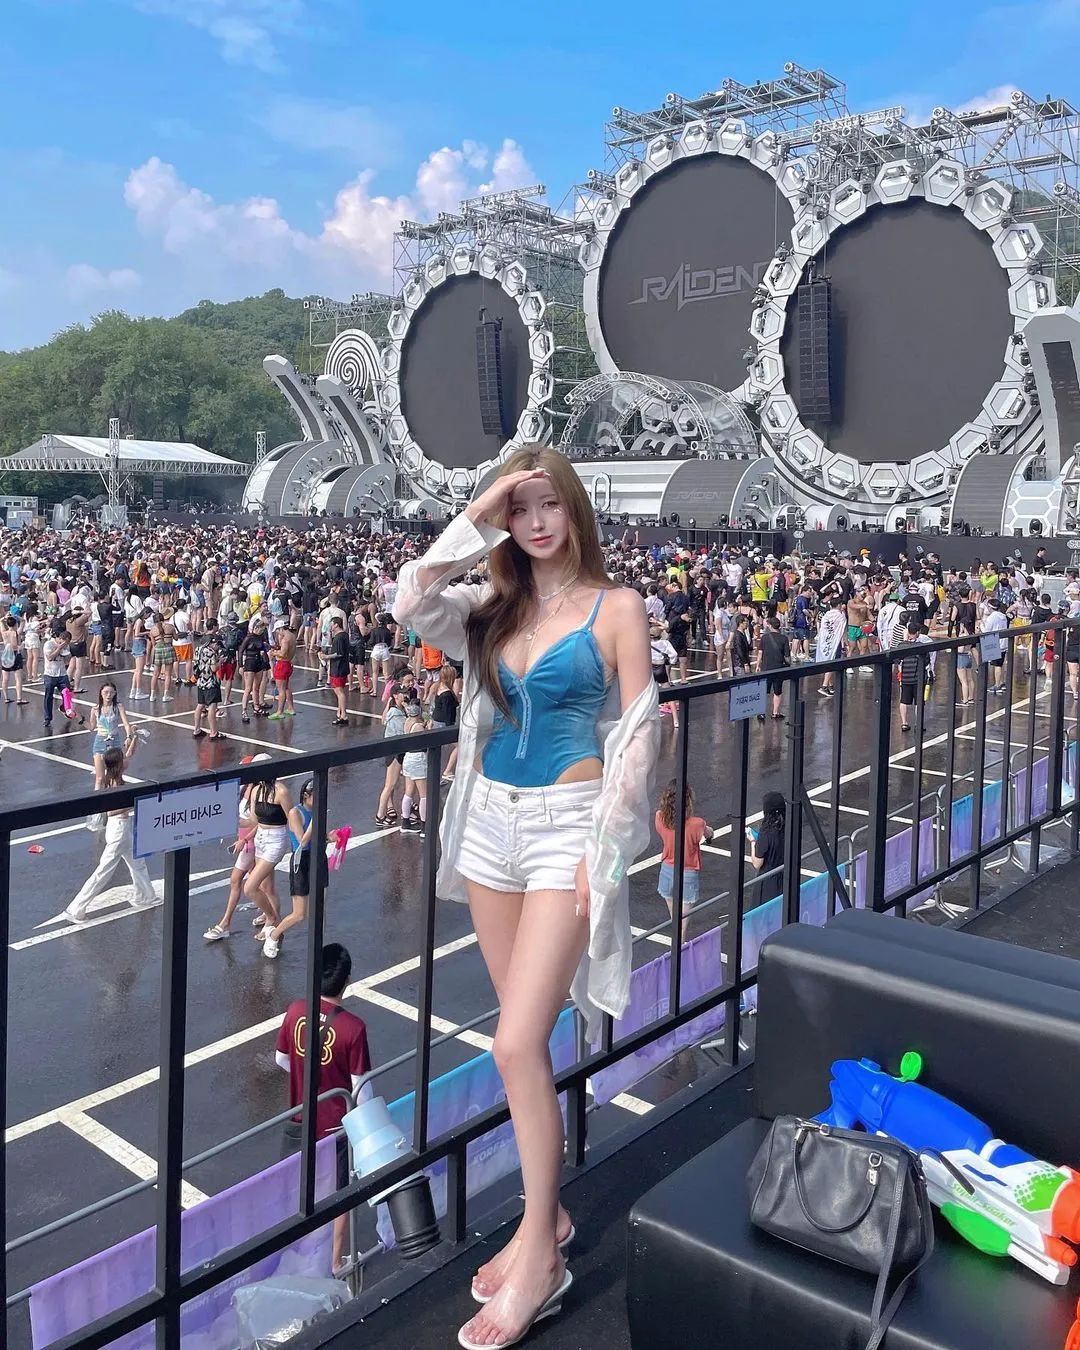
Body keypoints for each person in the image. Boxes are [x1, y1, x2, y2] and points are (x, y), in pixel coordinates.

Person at [393, 446, 658, 1349]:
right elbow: (410, 599)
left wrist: (606, 853)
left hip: (567, 830)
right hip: (487, 828)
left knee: (512, 1043)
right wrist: (476, 511)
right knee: (523, 1044)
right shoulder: (490, 604)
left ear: (575, 509)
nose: (536, 522)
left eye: (549, 504)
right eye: (521, 508)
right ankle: (546, 1219)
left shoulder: (618, 607)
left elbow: (639, 735)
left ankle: (541, 1255)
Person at [275, 943, 373, 1274]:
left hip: (299, 1117)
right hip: (335, 1127)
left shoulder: (295, 1010)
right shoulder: (353, 1028)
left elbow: (281, 1058)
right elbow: (361, 1087)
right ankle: (335, 1260)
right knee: (339, 1191)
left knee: (296, 1186)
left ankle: (294, 1252)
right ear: (347, 980)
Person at [65, 745, 155, 921]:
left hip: (122, 828)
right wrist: (133, 804)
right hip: (118, 830)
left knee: (137, 863)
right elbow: (111, 811)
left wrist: (133, 738)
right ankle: (76, 908)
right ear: (119, 764)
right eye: (123, 758)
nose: (126, 759)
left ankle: (146, 896)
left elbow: (129, 754)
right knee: (103, 872)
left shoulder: (112, 778)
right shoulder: (115, 784)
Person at [654, 779, 713, 918]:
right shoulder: (698, 823)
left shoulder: (659, 817)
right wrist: (709, 832)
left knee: (674, 917)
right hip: (688, 871)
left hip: (667, 868)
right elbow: (708, 834)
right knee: (683, 920)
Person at [88, 679, 132, 786]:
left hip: (114, 742)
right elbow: (91, 727)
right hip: (100, 742)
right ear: (101, 693)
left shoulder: (118, 707)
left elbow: (126, 724)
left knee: (115, 776)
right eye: (106, 692)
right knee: (100, 778)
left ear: (115, 693)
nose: (108, 695)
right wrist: (78, 718)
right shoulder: (95, 709)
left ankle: (114, 794)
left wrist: (128, 736)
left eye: (111, 692)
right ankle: (97, 796)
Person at [749, 791, 786, 906]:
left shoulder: (766, 832)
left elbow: (757, 863)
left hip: (768, 881)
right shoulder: (789, 826)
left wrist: (753, 841)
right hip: (785, 875)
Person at [399, 700, 429, 836]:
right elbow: (426, 740)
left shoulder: (407, 722)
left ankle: (405, 821)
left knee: (409, 791)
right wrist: (428, 727)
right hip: (418, 758)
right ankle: (424, 826)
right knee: (424, 795)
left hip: (408, 757)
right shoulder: (419, 727)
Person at [191, 632, 225, 740]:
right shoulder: (211, 652)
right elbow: (214, 668)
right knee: (212, 706)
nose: (218, 648)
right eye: (218, 645)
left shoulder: (198, 649)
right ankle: (213, 732)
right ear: (214, 643)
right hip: (211, 682)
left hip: (201, 681)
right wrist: (220, 661)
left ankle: (196, 729)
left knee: (200, 705)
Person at [757, 616, 789, 723]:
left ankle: (761, 712)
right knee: (777, 691)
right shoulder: (784, 639)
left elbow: (760, 652)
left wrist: (758, 665)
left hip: (766, 667)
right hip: (778, 668)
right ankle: (775, 712)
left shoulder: (765, 638)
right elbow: (787, 656)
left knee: (764, 691)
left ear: (770, 626)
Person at [268, 621, 297, 719]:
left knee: (281, 689)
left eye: (277, 631)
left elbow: (283, 654)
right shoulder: (292, 636)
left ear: (280, 629)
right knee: (286, 687)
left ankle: (279, 712)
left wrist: (273, 653)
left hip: (282, 664)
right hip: (288, 663)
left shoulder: (285, 639)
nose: (277, 633)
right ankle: (291, 708)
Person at [327, 616, 350, 725]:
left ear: (336, 625)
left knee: (339, 691)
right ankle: (340, 711)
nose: (330, 626)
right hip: (342, 667)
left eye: (331, 624)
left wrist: (326, 657)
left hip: (338, 667)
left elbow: (339, 653)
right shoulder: (344, 635)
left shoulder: (339, 638)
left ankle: (343, 714)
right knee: (338, 690)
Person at [0, 616, 27, 705]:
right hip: (15, 655)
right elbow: (23, 621)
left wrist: (4, 618)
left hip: (6, 655)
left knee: (5, 678)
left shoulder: (4, 633)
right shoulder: (16, 632)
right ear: (15, 624)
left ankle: (6, 698)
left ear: (7, 624)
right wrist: (16, 616)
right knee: (18, 679)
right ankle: (19, 698)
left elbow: (0, 621)